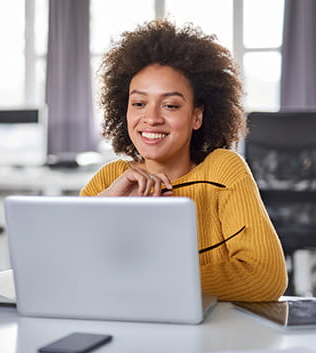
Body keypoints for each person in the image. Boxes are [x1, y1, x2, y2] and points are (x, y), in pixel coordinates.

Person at [80, 19, 288, 302]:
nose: (151, 118)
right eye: (139, 103)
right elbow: (73, 275)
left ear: (197, 115)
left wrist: (147, 282)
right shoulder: (109, 180)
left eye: (170, 105)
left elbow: (265, 276)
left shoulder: (224, 171)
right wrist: (103, 210)